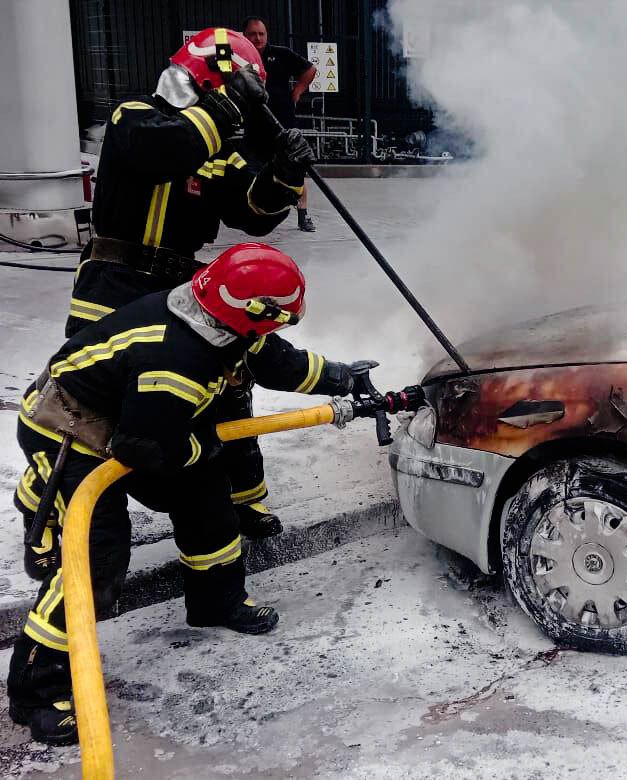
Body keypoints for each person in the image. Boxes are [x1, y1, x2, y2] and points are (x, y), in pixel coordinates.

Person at [7, 243, 368, 746]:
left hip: (140, 421)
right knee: (97, 558)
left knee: (207, 504)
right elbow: (147, 450)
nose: (282, 325)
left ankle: (216, 602)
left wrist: (340, 377)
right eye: (279, 317)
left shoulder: (220, 315)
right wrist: (209, 443)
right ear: (251, 311)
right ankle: (36, 691)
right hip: (71, 432)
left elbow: (275, 360)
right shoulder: (175, 362)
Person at [39, 28, 309, 582]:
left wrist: (284, 174)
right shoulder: (135, 118)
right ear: (212, 77)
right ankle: (61, 520)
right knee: (94, 408)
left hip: (180, 292)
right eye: (239, 88)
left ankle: (233, 508)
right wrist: (229, 102)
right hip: (111, 287)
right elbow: (169, 149)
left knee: (219, 396)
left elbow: (251, 211)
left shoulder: (215, 150)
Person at [243, 15, 318, 232]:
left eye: (261, 34)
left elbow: (310, 70)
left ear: (266, 35)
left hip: (283, 124)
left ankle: (303, 215)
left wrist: (297, 92)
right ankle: (255, 213)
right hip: (255, 126)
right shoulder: (240, 58)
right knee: (253, 169)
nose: (257, 38)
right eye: (252, 34)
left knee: (294, 167)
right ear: (244, 36)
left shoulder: (281, 54)